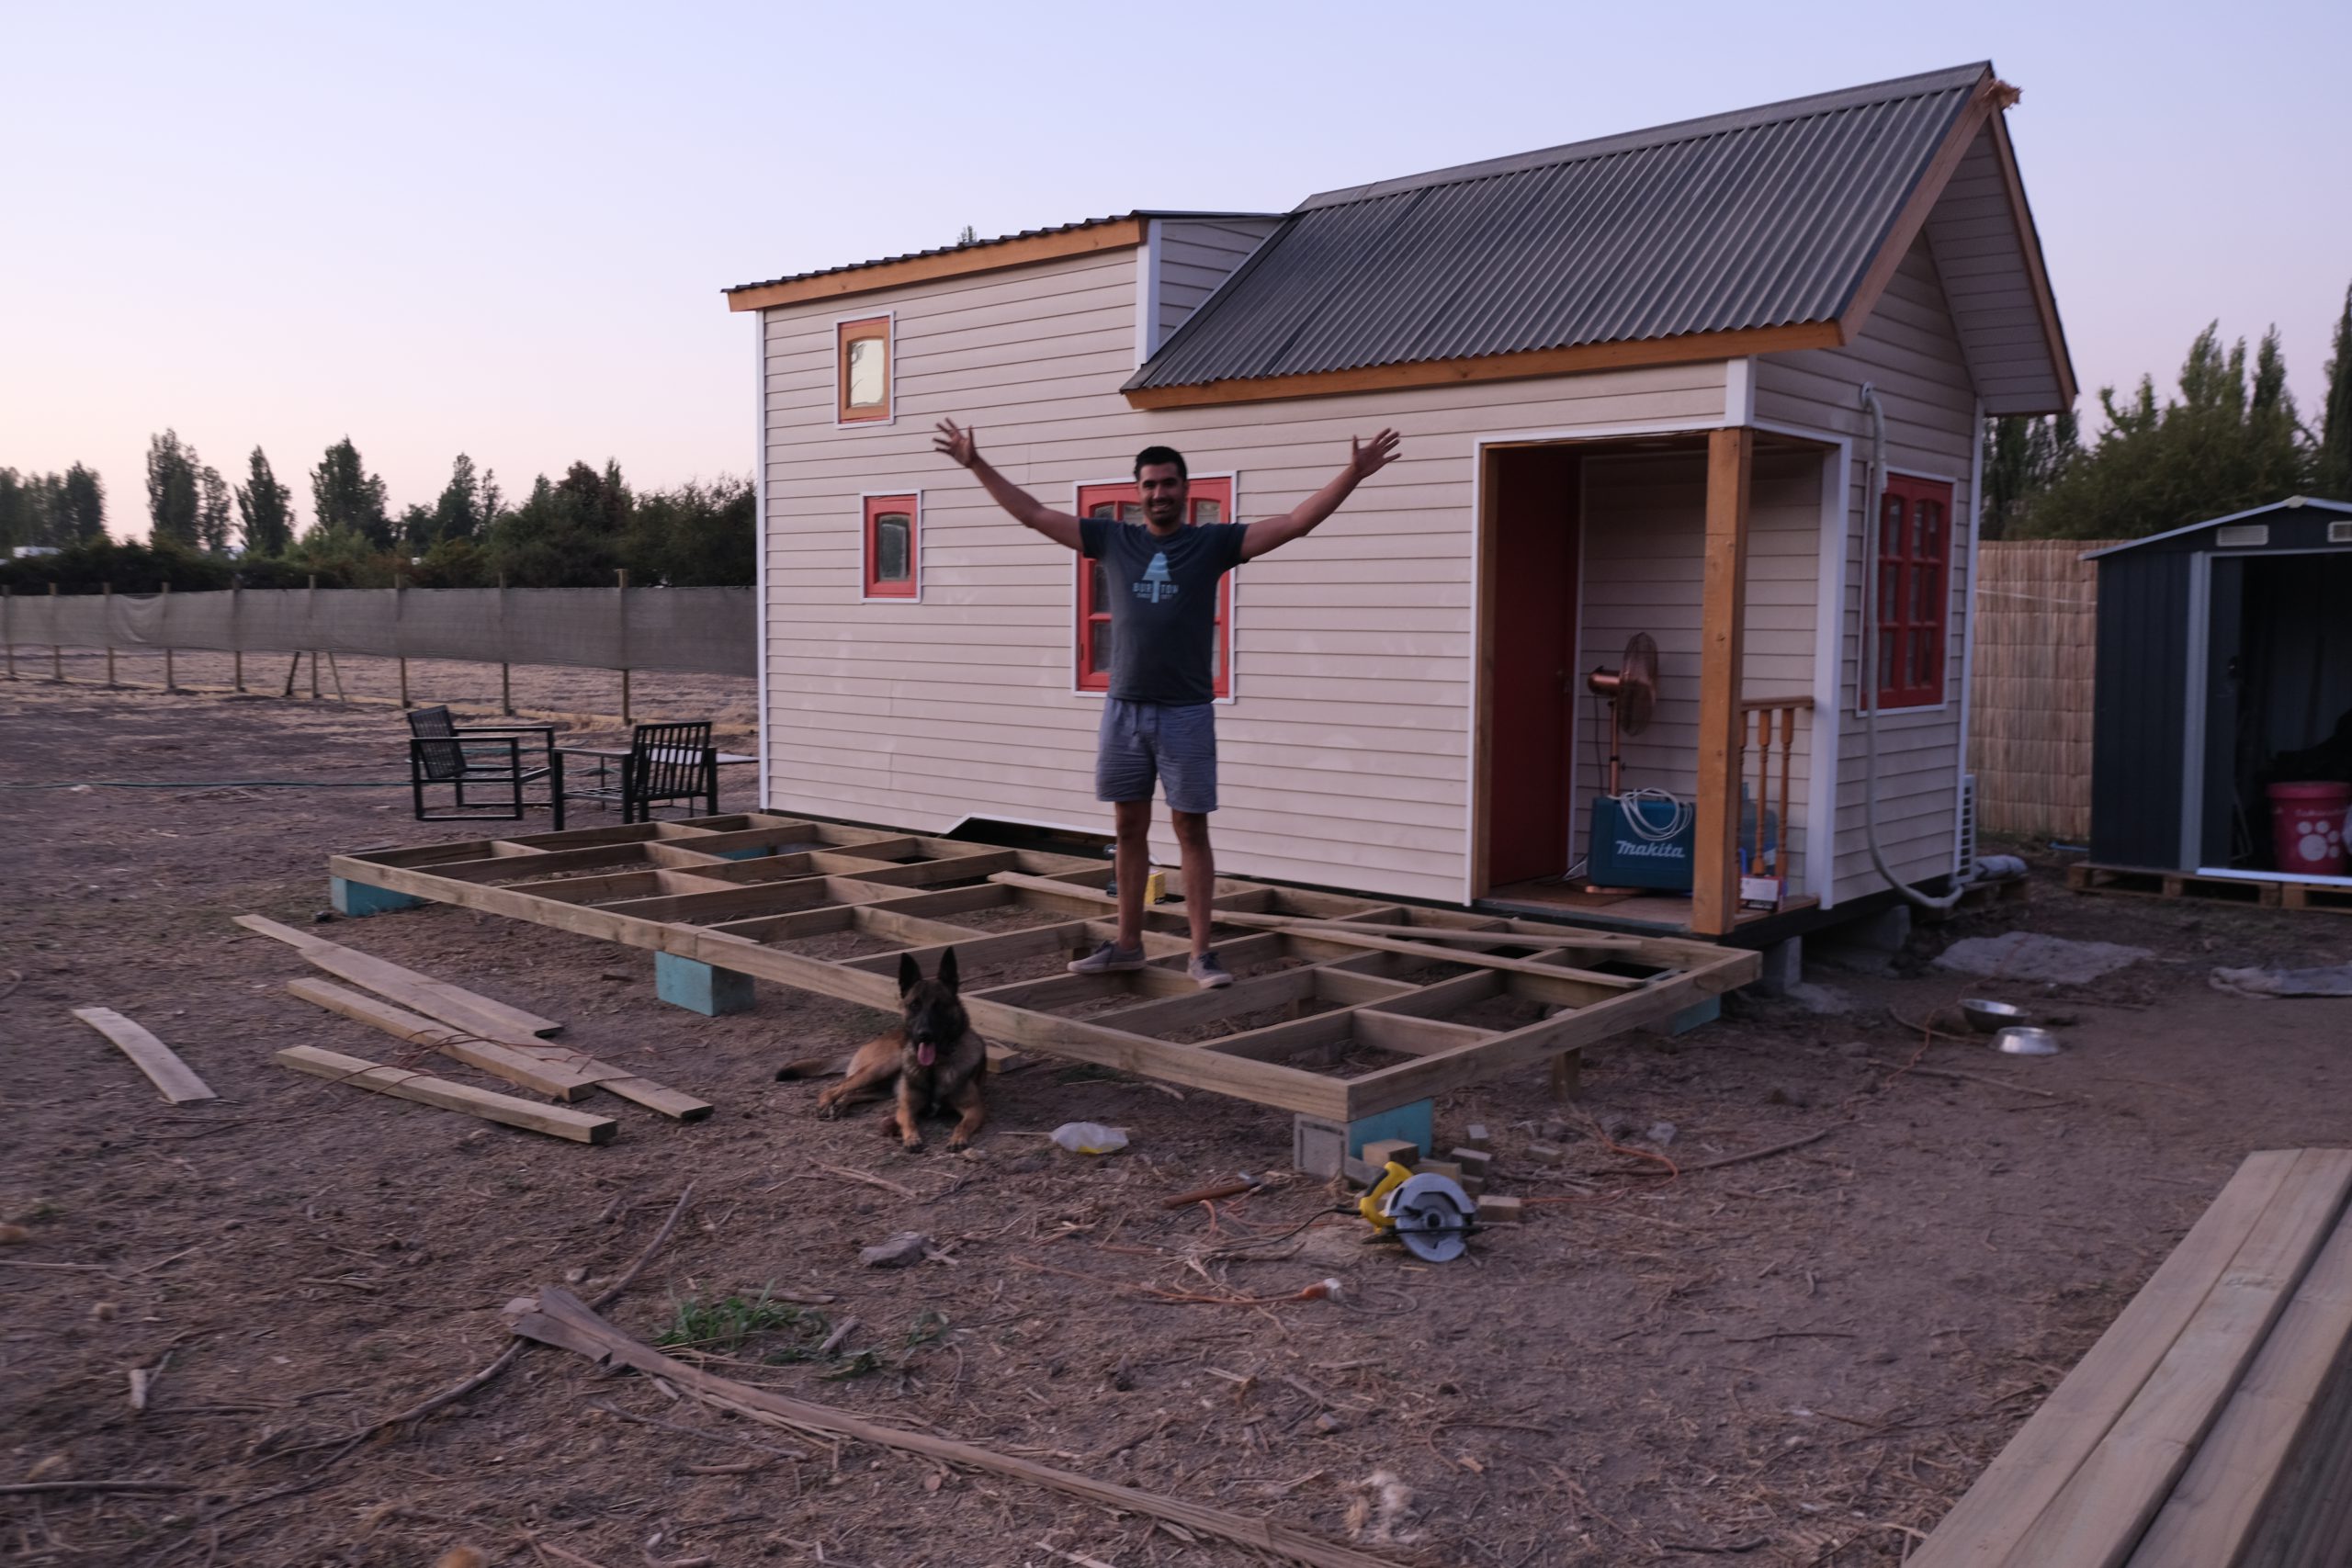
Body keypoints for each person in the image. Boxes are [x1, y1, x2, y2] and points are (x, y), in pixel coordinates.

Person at [933, 420, 1401, 987]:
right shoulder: (1113, 539)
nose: (1160, 493)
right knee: (1128, 827)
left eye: (1169, 483)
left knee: (1190, 829)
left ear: (1185, 489)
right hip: (1124, 711)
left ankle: (1201, 954)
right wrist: (976, 464)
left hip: (1185, 712)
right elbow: (1033, 514)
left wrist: (1353, 473)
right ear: (1138, 492)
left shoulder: (1212, 544)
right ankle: (1128, 945)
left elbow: (1295, 523)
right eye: (1150, 484)